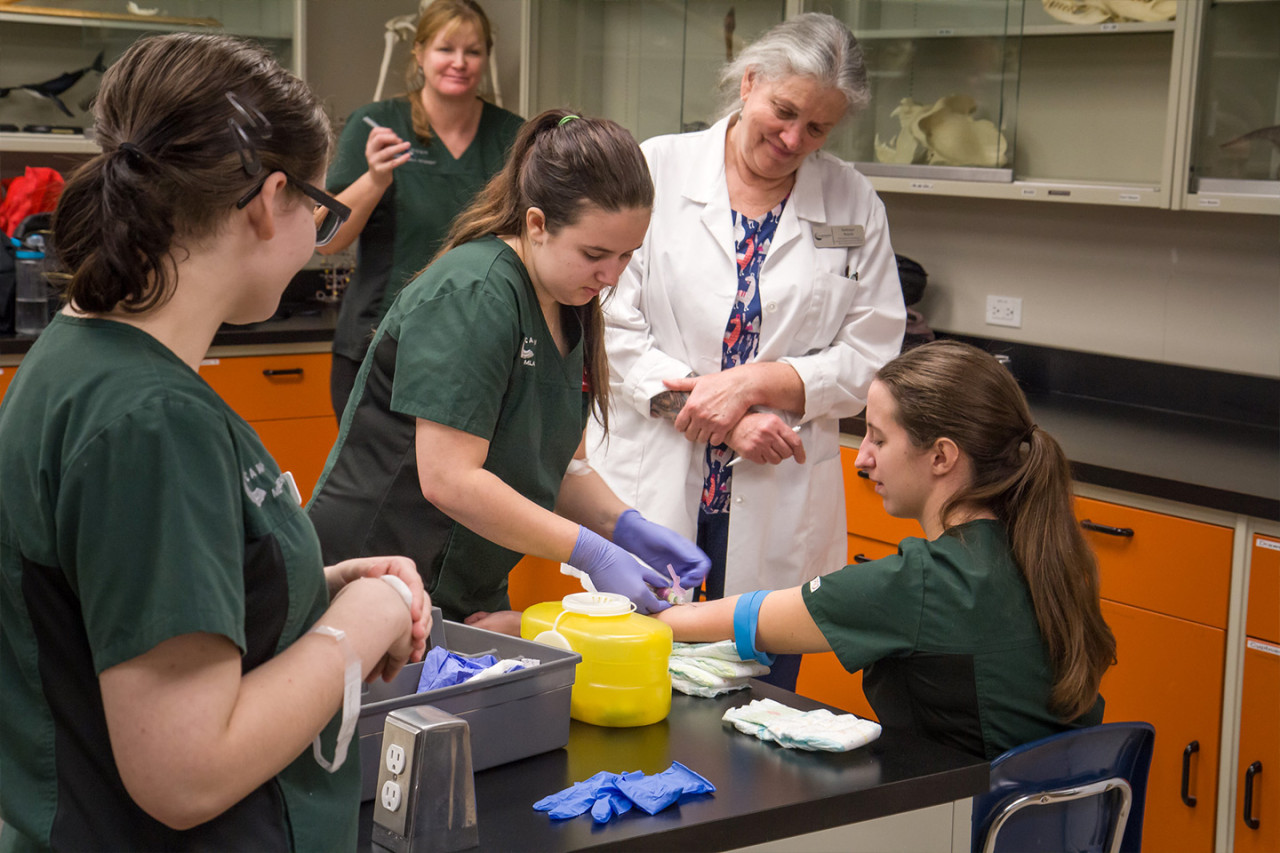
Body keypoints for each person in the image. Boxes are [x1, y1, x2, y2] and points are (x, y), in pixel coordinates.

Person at [0, 34, 432, 850]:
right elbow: (185, 771)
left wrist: (317, 589)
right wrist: (363, 621)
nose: (317, 229)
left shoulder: (81, 355)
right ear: (272, 200)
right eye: (320, 208)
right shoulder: (148, 421)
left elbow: (126, 604)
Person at [585, 13, 907, 689]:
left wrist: (766, 379)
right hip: (656, 483)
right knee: (628, 701)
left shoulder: (852, 201)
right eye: (783, 112)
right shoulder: (655, 168)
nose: (794, 139)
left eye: (817, 128)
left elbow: (873, 356)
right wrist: (726, 412)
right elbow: (609, 326)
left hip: (777, 498)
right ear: (750, 82)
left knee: (755, 718)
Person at [307, 110, 710, 630]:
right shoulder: (475, 294)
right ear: (536, 223)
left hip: (462, 581)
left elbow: (562, 465)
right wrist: (592, 553)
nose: (611, 276)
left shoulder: (570, 301)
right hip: (376, 575)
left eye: (628, 255)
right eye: (595, 253)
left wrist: (624, 527)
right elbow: (449, 479)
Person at [656, 340, 1117, 760]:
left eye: (878, 438)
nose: (861, 458)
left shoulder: (925, 582)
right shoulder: (1036, 550)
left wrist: (635, 611)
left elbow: (752, 620)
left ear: (941, 456)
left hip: (965, 821)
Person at [318, 0, 525, 417]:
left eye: (473, 51)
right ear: (419, 53)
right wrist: (375, 178)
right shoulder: (375, 124)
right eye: (446, 49)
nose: (459, 62)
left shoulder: (512, 135)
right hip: (378, 344)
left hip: (475, 347)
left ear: (486, 57)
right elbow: (326, 240)